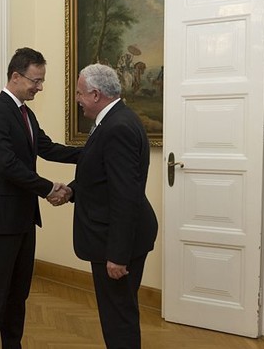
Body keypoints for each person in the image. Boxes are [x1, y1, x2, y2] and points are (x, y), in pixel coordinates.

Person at [0, 47, 78, 349]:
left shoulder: (25, 112)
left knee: (19, 293)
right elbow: (7, 166)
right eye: (36, 80)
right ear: (16, 76)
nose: (40, 87)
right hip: (1, 219)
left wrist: (91, 154)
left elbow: (47, 148)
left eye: (42, 80)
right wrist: (48, 188)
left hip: (23, 218)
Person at [65, 63, 158, 349]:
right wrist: (72, 190)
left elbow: (124, 195)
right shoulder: (115, 120)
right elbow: (101, 177)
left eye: (79, 93)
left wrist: (118, 255)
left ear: (95, 94)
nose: (77, 99)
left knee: (118, 317)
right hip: (114, 235)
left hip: (115, 242)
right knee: (117, 312)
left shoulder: (117, 127)